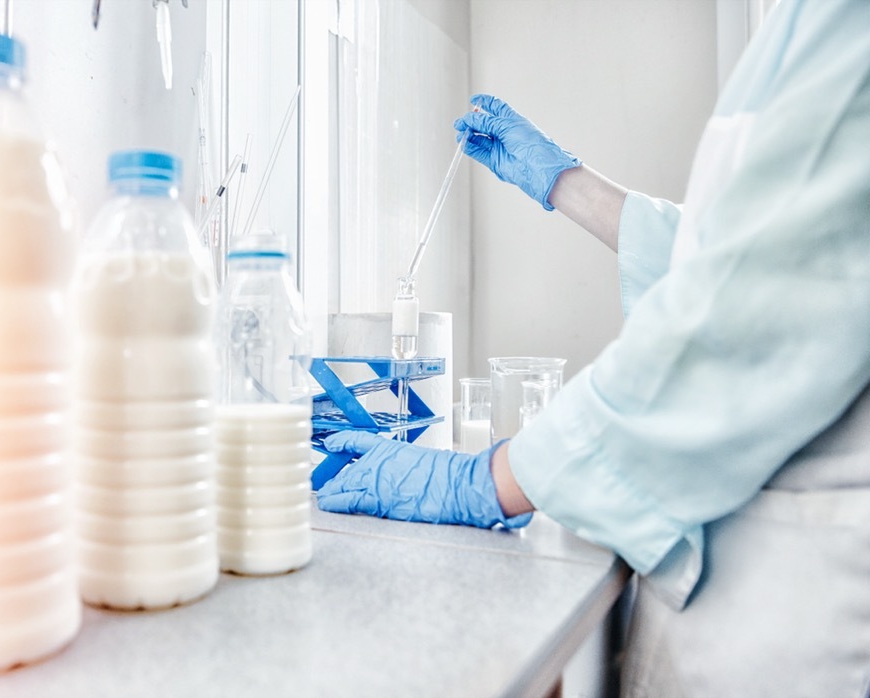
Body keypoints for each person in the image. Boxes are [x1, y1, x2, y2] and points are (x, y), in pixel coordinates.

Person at [315, 0, 870, 694]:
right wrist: (564, 183)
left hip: (797, 607)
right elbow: (750, 259)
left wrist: (478, 482)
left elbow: (744, 315)